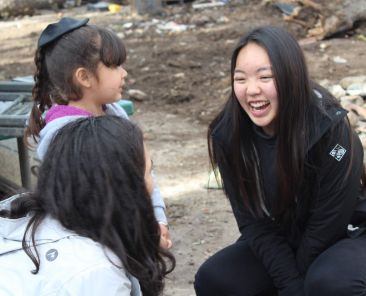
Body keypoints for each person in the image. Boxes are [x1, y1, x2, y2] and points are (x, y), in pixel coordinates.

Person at [195, 25, 366, 296]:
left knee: (330, 284)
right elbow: (253, 223)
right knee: (216, 278)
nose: (252, 90)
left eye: (265, 77)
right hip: (284, 232)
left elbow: (330, 219)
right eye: (240, 79)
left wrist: (297, 286)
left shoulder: (329, 126)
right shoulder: (228, 134)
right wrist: (290, 284)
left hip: (346, 232)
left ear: (291, 76)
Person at [24, 17, 171, 249]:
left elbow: (144, 175)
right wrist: (144, 234)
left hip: (134, 239)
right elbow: (92, 210)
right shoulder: (64, 138)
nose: (124, 73)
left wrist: (157, 219)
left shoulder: (113, 112)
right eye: (114, 66)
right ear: (83, 77)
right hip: (103, 249)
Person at [0, 116, 175, 295]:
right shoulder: (97, 273)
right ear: (127, 188)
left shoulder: (25, 220)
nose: (152, 183)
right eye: (148, 172)